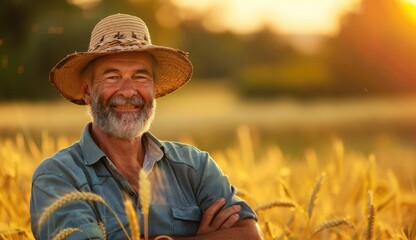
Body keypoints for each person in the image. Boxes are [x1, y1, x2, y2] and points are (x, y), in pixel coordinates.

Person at [30, 13, 261, 239]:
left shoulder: (195, 167)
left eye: (140, 77)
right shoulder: (58, 176)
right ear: (87, 91)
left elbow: (250, 235)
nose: (129, 91)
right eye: (112, 77)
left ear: (154, 89)